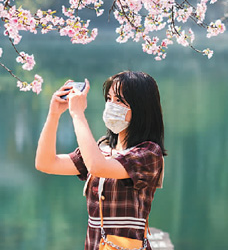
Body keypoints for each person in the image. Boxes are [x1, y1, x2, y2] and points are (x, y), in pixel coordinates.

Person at [35, 71, 166, 250]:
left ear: (141, 107)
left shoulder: (149, 153)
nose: (112, 105)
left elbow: (97, 167)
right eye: (109, 99)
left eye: (119, 100)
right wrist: (54, 114)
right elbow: (46, 163)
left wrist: (78, 115)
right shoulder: (101, 149)